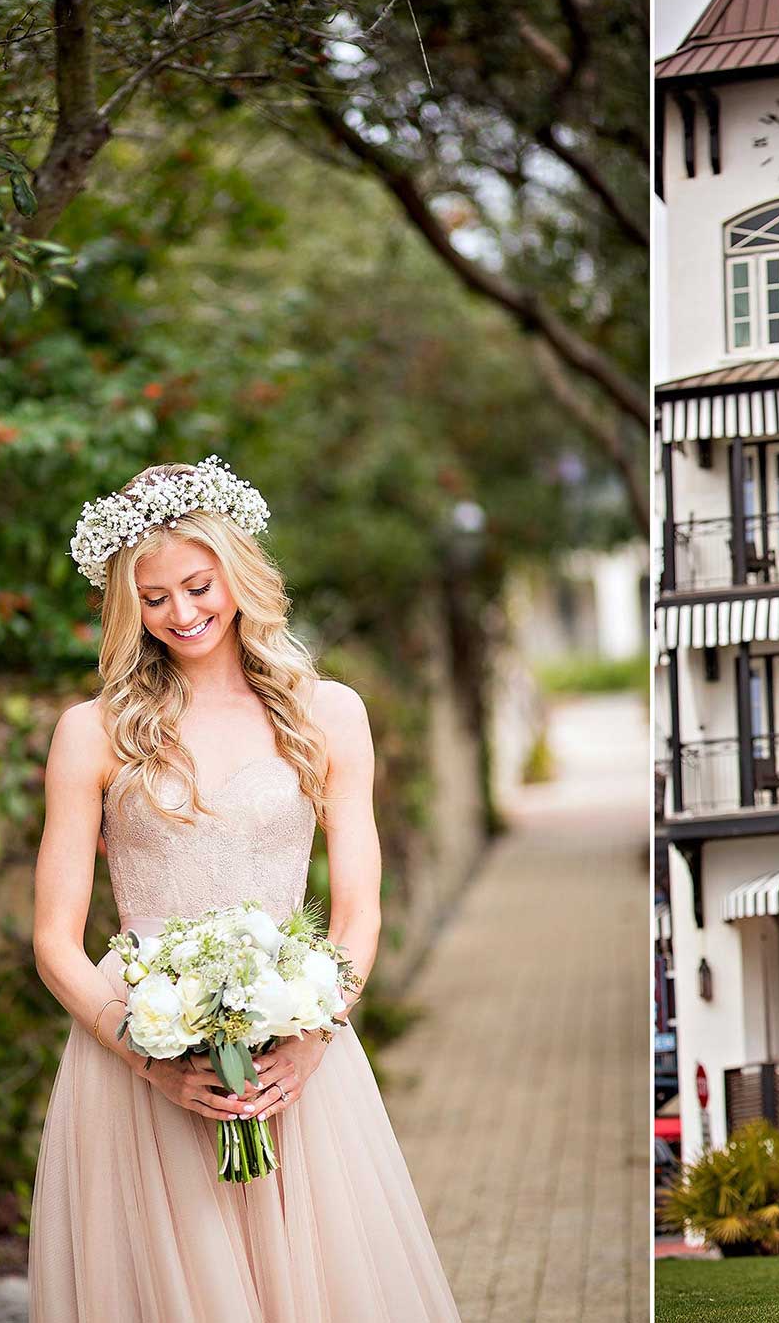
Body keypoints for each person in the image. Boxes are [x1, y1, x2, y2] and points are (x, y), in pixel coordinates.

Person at [29, 458, 460, 1321]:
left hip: (296, 1059)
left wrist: (316, 1035)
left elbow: (358, 908)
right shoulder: (91, 733)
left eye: (198, 585)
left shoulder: (327, 714)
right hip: (136, 1071)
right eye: (154, 598)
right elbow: (51, 939)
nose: (182, 615)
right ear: (129, 607)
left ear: (237, 571)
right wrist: (147, 1058)